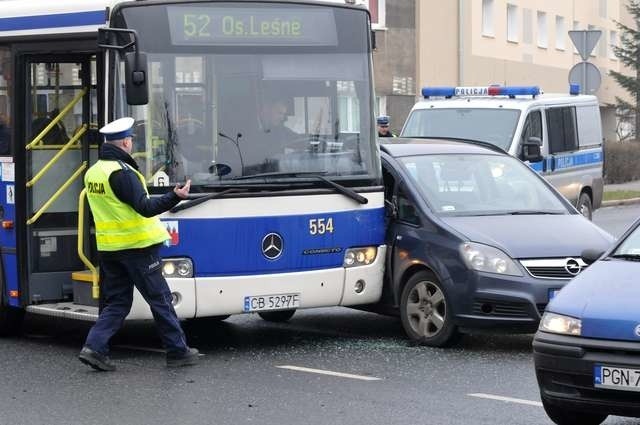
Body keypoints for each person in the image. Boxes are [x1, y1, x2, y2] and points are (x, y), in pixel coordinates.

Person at [78, 117, 200, 371]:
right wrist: (174, 197)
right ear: (125, 142)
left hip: (110, 249)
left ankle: (94, 347)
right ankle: (178, 351)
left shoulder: (94, 172)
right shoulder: (122, 172)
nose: (132, 142)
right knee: (161, 299)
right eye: (131, 139)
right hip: (138, 248)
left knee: (118, 303)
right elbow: (145, 208)